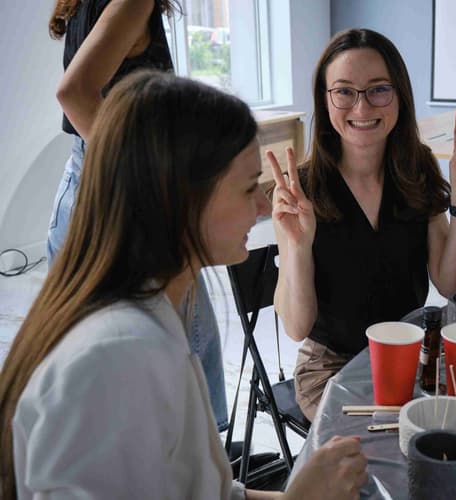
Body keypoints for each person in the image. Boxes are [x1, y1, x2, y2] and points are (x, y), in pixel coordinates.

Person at [0, 70, 367, 500]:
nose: (262, 205)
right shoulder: (118, 355)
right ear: (179, 199)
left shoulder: (160, 310)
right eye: (250, 187)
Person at [270, 28, 456, 421]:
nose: (362, 107)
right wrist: (299, 248)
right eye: (344, 91)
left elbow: (450, 284)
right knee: (395, 440)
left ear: (399, 95)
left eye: (378, 90)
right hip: (332, 369)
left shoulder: (416, 168)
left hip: (412, 353)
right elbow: (297, 327)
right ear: (325, 99)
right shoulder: (301, 190)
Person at [46, 0, 229, 430]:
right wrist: (142, 176)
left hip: (85, 186)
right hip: (119, 197)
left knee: (106, 364)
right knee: (175, 354)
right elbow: (73, 93)